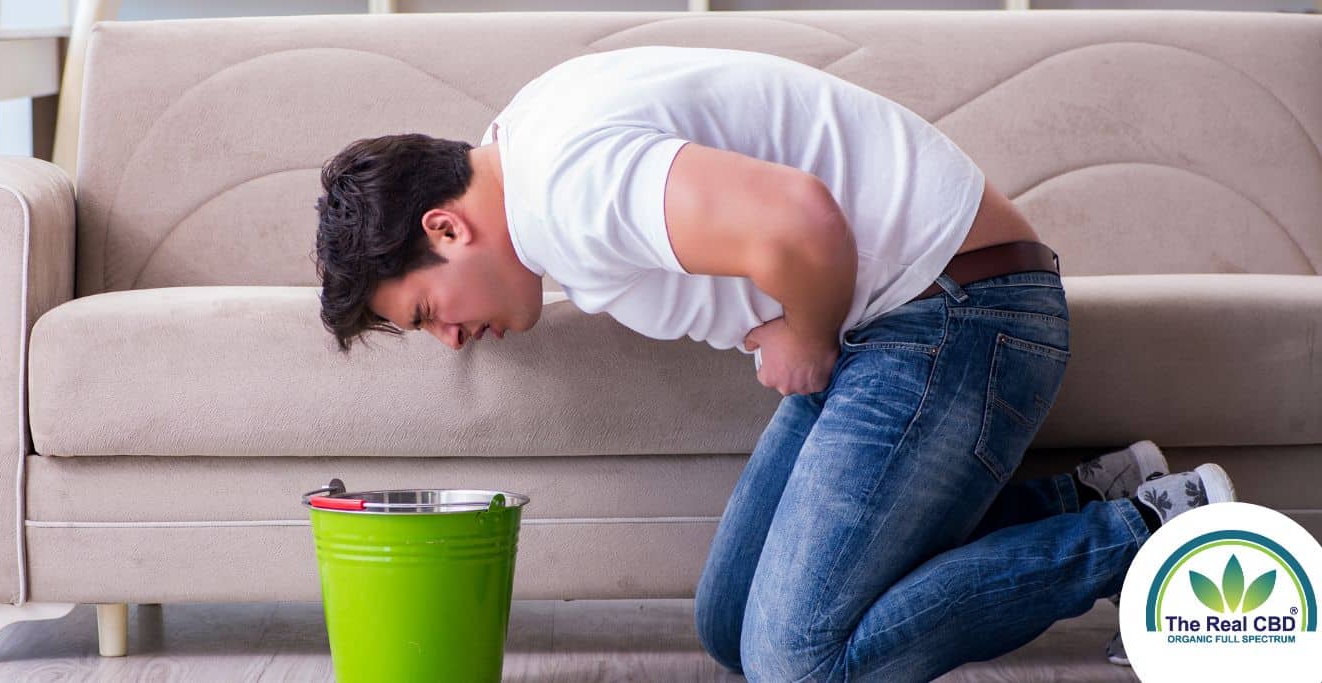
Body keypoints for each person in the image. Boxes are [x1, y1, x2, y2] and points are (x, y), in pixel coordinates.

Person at [311, 45, 1235, 681]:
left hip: (962, 311)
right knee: (730, 628)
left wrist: (804, 330)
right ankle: (1092, 495)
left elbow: (799, 218)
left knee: (798, 664)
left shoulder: (563, 189)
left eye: (429, 312)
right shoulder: (523, 141)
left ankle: (1155, 531)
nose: (453, 338)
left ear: (446, 226)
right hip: (900, 320)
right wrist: (800, 319)